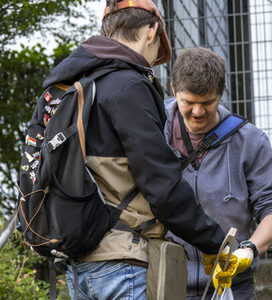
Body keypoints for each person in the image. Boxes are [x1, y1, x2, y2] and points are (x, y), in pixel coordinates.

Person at [42, 1, 232, 299]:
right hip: (123, 265)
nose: (155, 60)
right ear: (151, 30)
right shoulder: (128, 84)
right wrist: (215, 243)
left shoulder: (72, 86)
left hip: (78, 268)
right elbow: (161, 185)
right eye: (159, 49)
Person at [164, 47, 272, 299]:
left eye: (207, 103)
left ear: (222, 92)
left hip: (232, 284)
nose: (198, 112)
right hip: (167, 282)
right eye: (188, 102)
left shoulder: (251, 141)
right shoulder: (153, 130)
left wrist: (250, 249)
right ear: (173, 89)